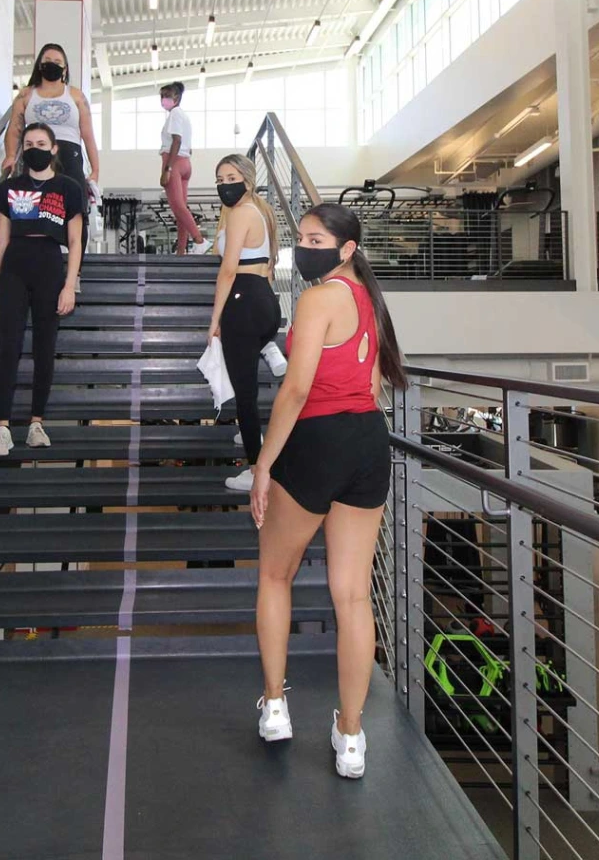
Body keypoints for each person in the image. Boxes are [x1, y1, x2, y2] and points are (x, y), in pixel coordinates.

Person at [249, 203, 408, 780]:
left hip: (316, 440)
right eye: (299, 237)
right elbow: (369, 383)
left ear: (345, 248)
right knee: (353, 596)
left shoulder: (318, 300)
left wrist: (264, 463)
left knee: (274, 574)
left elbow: (294, 390)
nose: (302, 246)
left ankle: (275, 707)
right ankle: (350, 736)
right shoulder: (367, 300)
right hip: (367, 443)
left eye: (314, 238)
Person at [0, 123, 83, 456]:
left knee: (44, 346)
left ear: (54, 148)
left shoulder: (68, 188)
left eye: (41, 142)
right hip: (15, 266)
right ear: (22, 148)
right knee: (9, 347)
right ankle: (2, 428)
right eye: (28, 143)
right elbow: (0, 239)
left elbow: (74, 240)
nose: (35, 147)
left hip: (50, 266)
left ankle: (36, 423)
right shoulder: (11, 187)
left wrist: (70, 284)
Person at [205, 155, 286, 491]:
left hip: (245, 300)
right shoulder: (260, 212)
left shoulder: (240, 213)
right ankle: (269, 348)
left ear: (248, 180)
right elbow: (265, 264)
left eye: (232, 177)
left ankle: (255, 471)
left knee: (245, 394)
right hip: (264, 299)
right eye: (220, 179)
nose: (225, 184)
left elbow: (227, 270)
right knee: (247, 387)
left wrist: (215, 320)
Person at [5, 44, 99, 220]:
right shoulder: (25, 95)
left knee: (74, 210)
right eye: (47, 61)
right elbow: (15, 129)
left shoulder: (76, 96)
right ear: (39, 65)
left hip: (70, 156)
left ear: (64, 69)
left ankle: (75, 246)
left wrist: (95, 170)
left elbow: (88, 135)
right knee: (34, 211)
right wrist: (10, 156)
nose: (52, 64)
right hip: (35, 154)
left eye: (57, 62)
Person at [159, 81, 212, 256]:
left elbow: (177, 140)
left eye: (167, 96)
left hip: (174, 162)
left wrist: (167, 169)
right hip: (186, 163)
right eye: (162, 96)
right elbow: (187, 146)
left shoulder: (174, 114)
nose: (163, 100)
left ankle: (200, 240)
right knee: (181, 209)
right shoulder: (183, 116)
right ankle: (181, 250)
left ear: (177, 98)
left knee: (177, 207)